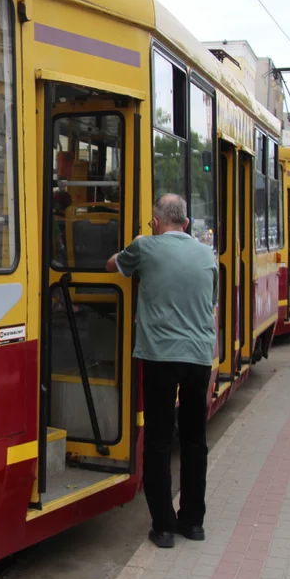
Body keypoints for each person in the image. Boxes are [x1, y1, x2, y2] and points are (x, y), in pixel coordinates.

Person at [106, 193, 218, 549]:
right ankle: (193, 522)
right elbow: (209, 300)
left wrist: (137, 242)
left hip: (160, 357)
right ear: (186, 223)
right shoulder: (207, 254)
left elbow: (112, 265)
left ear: (156, 222)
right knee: (194, 439)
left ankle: (164, 527)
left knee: (157, 440)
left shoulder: (147, 248)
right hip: (200, 357)